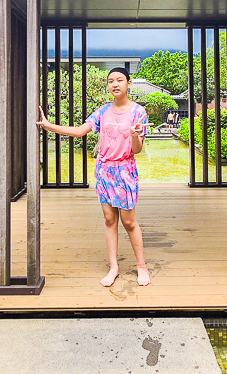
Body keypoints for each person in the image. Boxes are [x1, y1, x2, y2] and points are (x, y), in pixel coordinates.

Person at [36, 67, 151, 287]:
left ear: (129, 83)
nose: (115, 84)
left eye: (119, 80)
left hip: (125, 171)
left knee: (129, 222)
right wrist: (49, 126)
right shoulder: (103, 111)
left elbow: (136, 150)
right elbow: (80, 131)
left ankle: (141, 267)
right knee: (109, 220)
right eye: (110, 81)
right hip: (104, 171)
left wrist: (134, 135)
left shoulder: (138, 112)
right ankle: (114, 267)